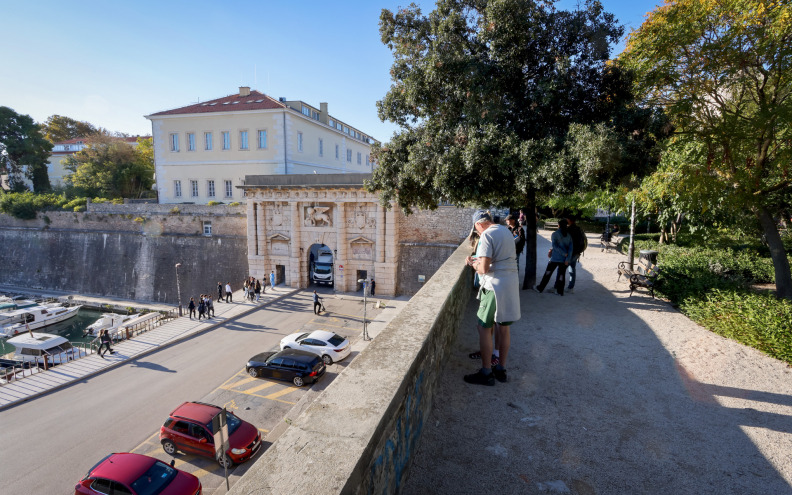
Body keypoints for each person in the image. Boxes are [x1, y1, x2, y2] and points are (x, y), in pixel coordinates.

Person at [464, 210, 520, 385]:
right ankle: (501, 369)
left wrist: (473, 263)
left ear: (478, 225)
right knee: (503, 328)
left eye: (476, 230)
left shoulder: (487, 235)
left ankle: (486, 372)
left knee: (483, 327)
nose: (478, 234)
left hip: (494, 286)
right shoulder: (506, 231)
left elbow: (484, 269)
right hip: (510, 284)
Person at [534, 219, 573, 295]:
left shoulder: (555, 234)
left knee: (548, 274)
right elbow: (571, 248)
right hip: (564, 259)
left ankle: (540, 288)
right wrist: (567, 258)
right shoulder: (569, 235)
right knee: (562, 275)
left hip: (555, 258)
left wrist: (563, 253)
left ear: (558, 225)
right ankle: (560, 291)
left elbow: (555, 246)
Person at [567, 218, 587, 293]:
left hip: (569, 253)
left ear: (569, 220)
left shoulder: (569, 229)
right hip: (577, 253)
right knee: (572, 269)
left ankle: (558, 287)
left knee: (561, 270)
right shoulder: (579, 229)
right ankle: (570, 288)